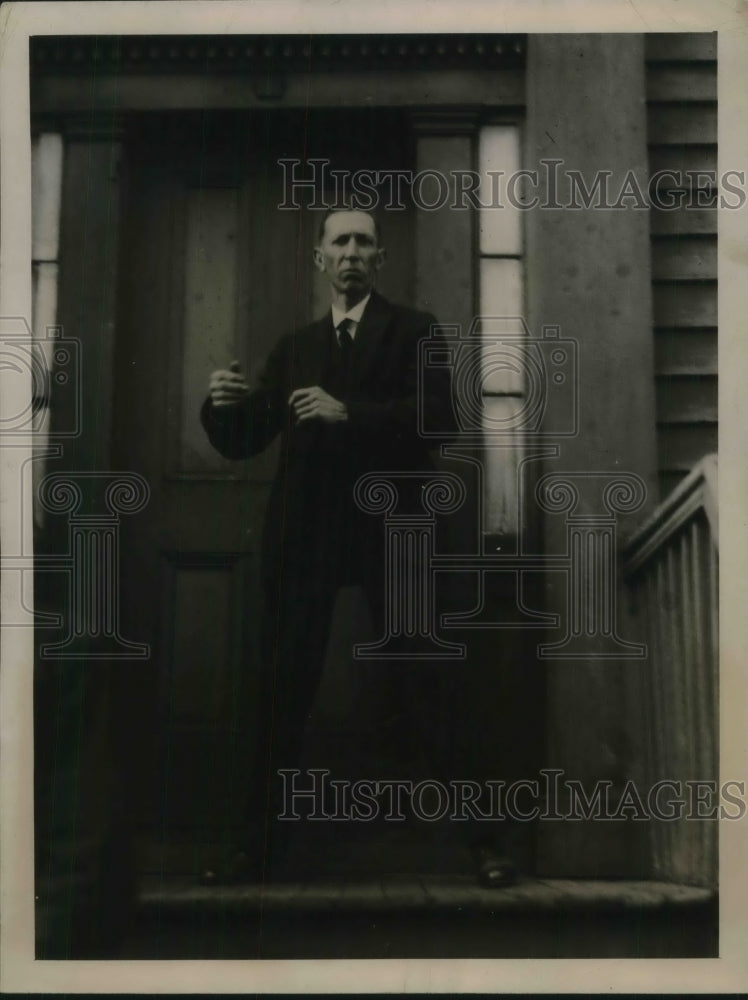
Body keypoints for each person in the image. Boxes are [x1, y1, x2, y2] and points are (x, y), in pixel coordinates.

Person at [200, 207, 516, 887]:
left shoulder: (415, 330)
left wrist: (352, 413)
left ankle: (486, 845)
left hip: (392, 530)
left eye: (362, 242)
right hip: (307, 534)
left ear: (379, 257)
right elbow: (244, 438)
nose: (350, 252)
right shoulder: (295, 346)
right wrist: (222, 404)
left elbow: (440, 419)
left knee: (431, 682)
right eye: (338, 242)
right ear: (321, 258)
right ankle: (253, 849)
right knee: (280, 687)